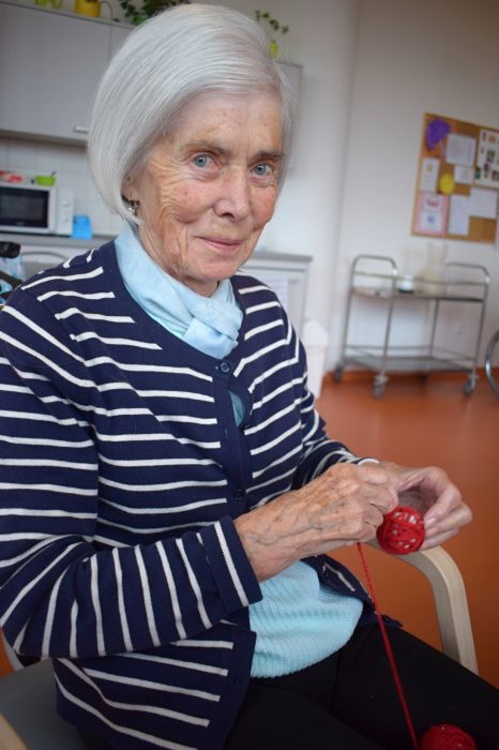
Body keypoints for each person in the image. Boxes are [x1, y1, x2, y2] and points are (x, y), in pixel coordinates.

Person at [0, 5, 497, 749]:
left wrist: (369, 479)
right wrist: (268, 538)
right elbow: (42, 608)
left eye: (262, 167)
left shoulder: (262, 312)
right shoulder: (43, 330)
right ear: (130, 169)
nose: (240, 204)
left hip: (325, 626)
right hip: (170, 688)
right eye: (204, 159)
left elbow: (301, 452)